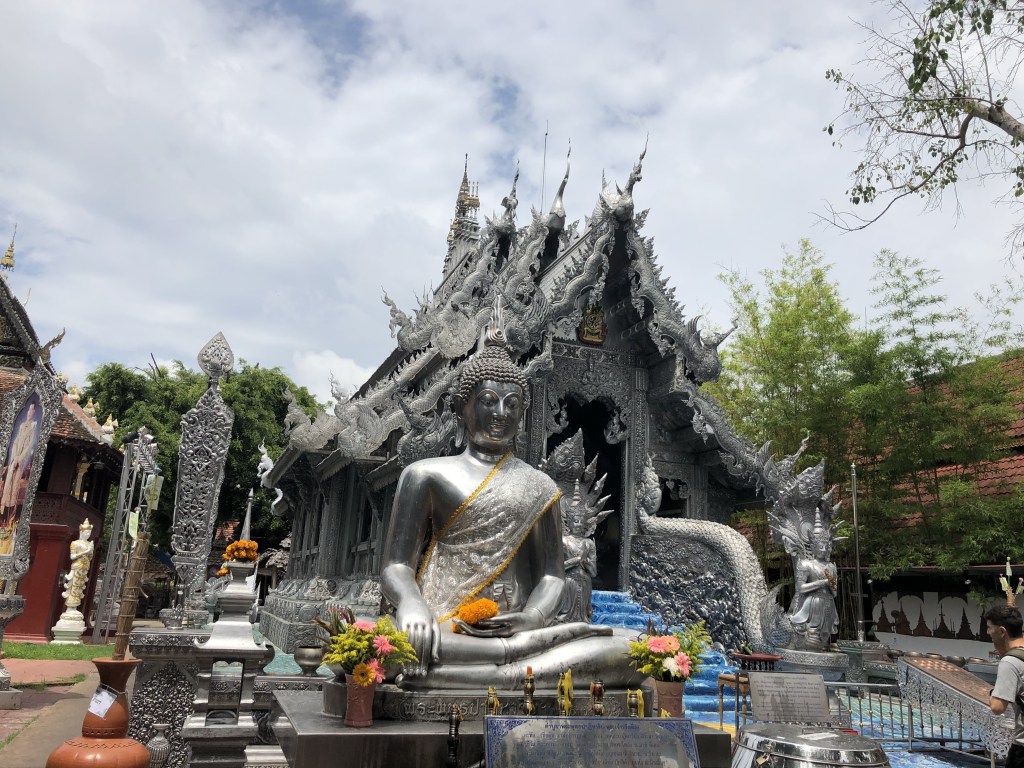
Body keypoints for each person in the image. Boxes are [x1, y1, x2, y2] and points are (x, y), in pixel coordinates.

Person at [381, 312, 642, 690]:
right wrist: (412, 604)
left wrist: (533, 617)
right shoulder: (425, 475)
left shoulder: (539, 486)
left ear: (523, 411)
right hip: (441, 626)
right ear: (462, 407)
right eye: (488, 401)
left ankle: (487, 674)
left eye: (512, 403)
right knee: (395, 648)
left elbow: (553, 574)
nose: (501, 413)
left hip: (521, 634)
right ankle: (508, 676)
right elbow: (395, 566)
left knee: (631, 649)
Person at [985, 604, 1024, 768]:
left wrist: (993, 693)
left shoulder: (1010, 662)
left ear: (1002, 631)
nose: (987, 632)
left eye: (989, 628)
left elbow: (997, 707)